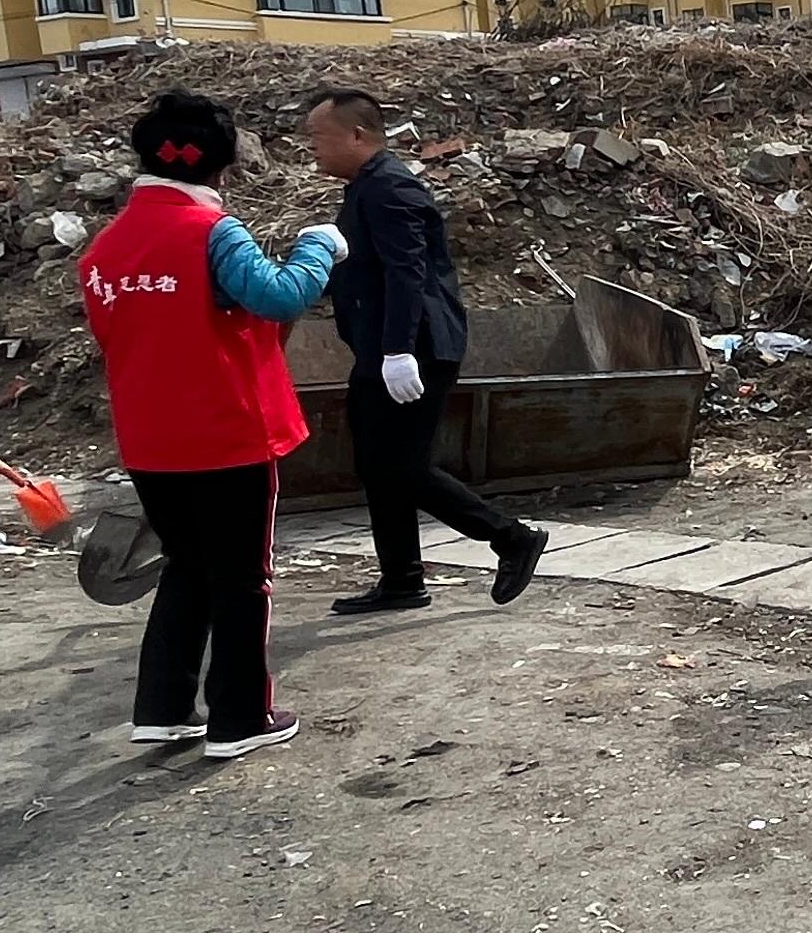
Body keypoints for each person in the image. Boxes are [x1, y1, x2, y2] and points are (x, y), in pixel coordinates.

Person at [77, 91, 344, 759]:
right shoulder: (213, 234)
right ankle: (240, 717)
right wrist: (318, 248)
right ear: (223, 169)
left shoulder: (107, 248)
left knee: (187, 568)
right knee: (241, 578)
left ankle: (164, 708)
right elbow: (277, 295)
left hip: (150, 437)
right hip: (227, 433)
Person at [299, 88, 545, 616]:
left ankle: (511, 538)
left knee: (403, 466)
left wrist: (396, 351)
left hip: (414, 349)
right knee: (375, 465)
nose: (311, 148)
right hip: (380, 348)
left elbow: (407, 271)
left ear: (357, 135)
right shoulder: (363, 187)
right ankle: (402, 580)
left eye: (318, 137)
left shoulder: (389, 188)